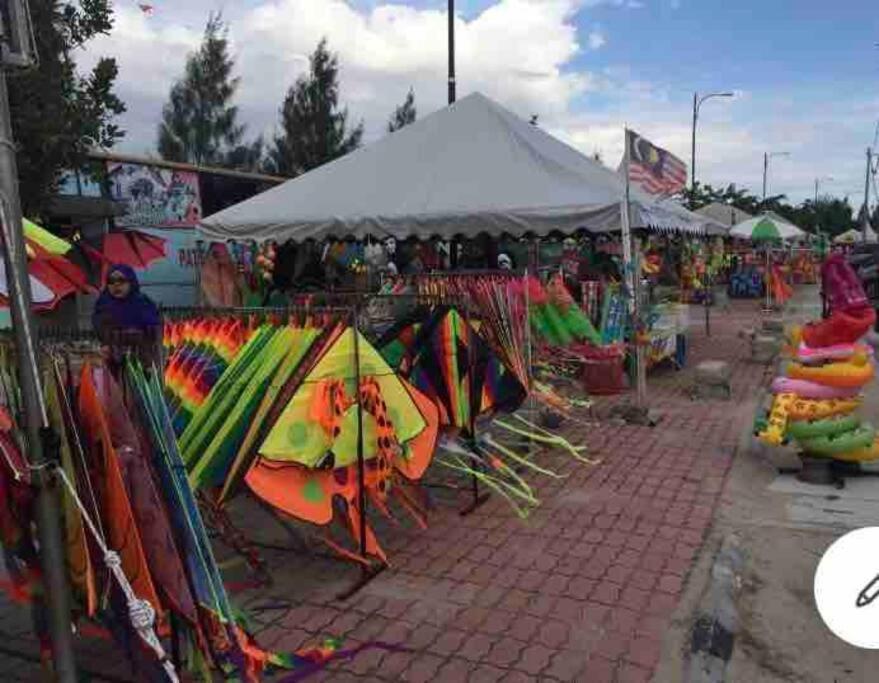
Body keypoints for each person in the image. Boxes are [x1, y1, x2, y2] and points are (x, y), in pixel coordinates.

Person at [92, 264, 161, 368]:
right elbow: (103, 333)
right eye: (111, 281)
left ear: (131, 281)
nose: (116, 285)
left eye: (121, 280)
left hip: (142, 364)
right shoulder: (103, 305)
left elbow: (156, 333)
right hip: (114, 364)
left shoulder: (144, 304)